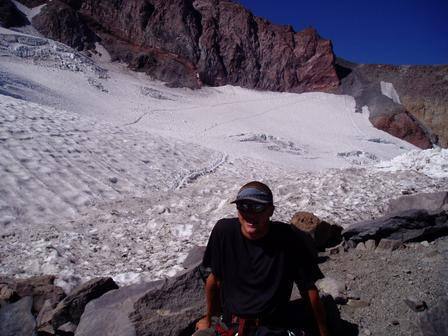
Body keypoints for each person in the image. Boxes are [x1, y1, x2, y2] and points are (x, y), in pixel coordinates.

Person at [194, 181, 329, 336]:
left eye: (258, 207)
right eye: (243, 206)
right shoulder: (224, 232)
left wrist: (323, 331)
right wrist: (210, 319)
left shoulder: (290, 238)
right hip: (231, 325)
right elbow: (214, 280)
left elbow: (308, 288)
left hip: (273, 328)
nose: (250, 214)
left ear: (271, 211)